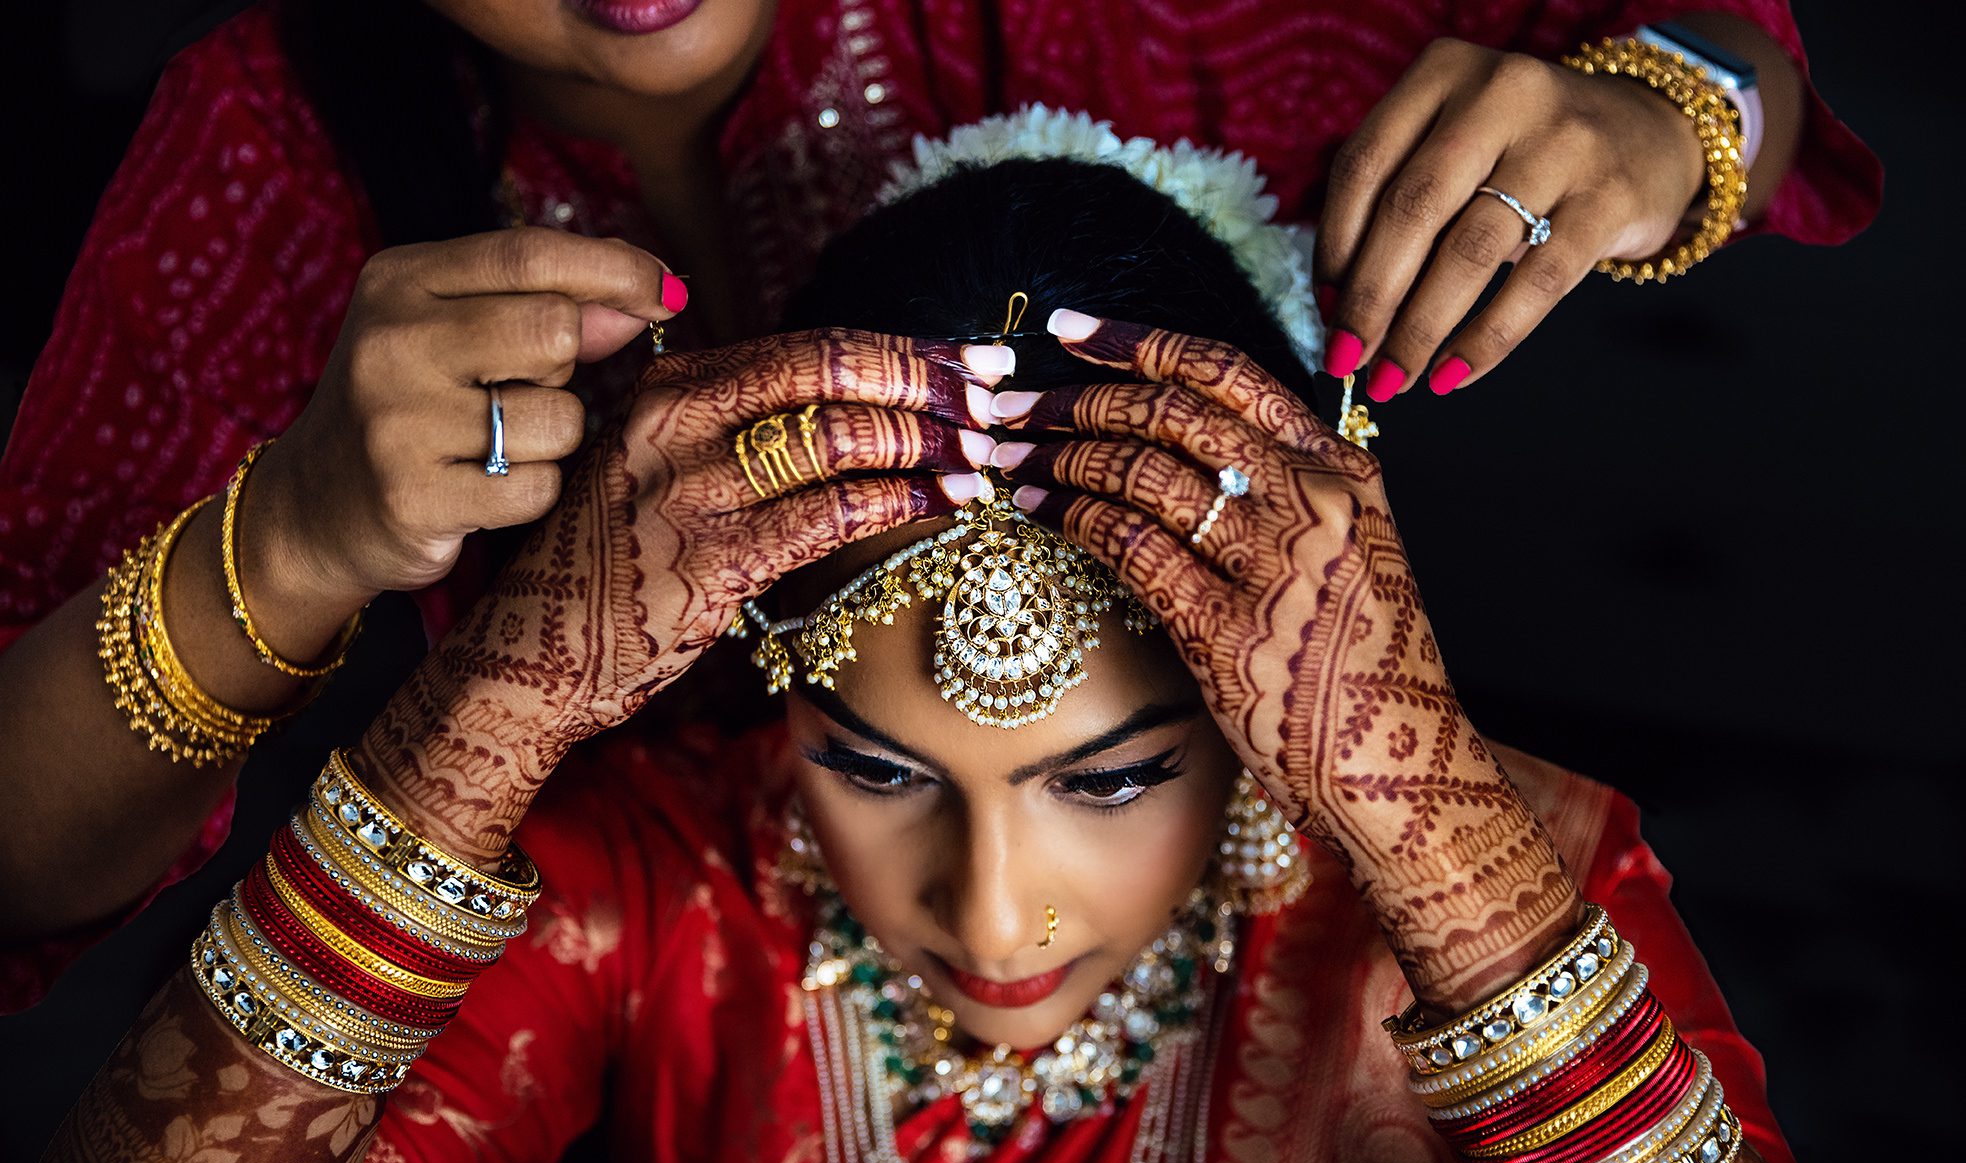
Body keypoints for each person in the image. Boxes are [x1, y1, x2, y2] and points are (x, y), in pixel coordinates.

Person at [2, 132, 1858, 1163]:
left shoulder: (1495, 869)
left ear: (1267, 696)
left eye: (1116, 774)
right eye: (875, 768)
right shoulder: (656, 886)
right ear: (766, 692)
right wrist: (485, 720)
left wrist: (1447, 849)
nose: (992, 914)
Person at [0, 0, 1881, 1011]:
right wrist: (297, 537)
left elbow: (1725, 48)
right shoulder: (269, 145)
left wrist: (1667, 109)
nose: (988, 927)